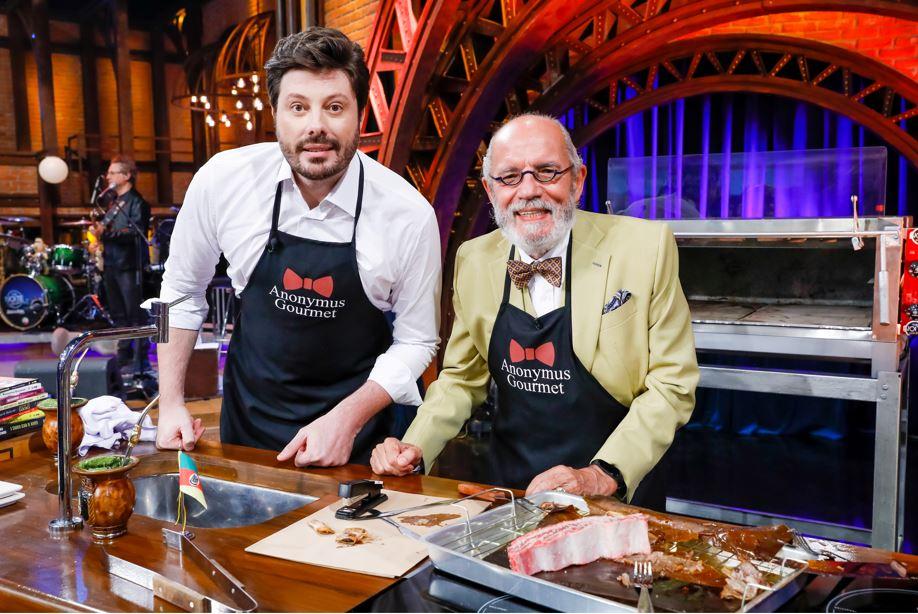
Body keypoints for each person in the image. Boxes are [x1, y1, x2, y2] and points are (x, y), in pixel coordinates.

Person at [370, 114, 698, 506]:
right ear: (491, 191)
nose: (528, 190)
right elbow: (460, 380)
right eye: (509, 177)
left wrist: (602, 474)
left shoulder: (646, 247)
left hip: (617, 493)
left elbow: (672, 386)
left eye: (546, 172)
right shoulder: (474, 259)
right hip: (511, 492)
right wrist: (415, 447)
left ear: (578, 181)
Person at [156, 27, 441, 467]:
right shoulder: (222, 180)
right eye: (298, 107)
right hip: (247, 429)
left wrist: (346, 419)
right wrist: (169, 398)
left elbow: (417, 341)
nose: (316, 127)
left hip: (359, 441)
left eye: (334, 107)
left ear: (359, 114)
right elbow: (178, 292)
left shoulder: (408, 214)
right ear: (274, 113)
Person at [92, 155, 151, 374]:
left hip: (129, 266)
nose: (108, 176)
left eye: (113, 172)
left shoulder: (136, 202)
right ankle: (123, 357)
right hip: (112, 265)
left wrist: (106, 233)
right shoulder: (112, 203)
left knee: (135, 314)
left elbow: (135, 233)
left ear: (126, 176)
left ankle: (139, 361)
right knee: (118, 315)